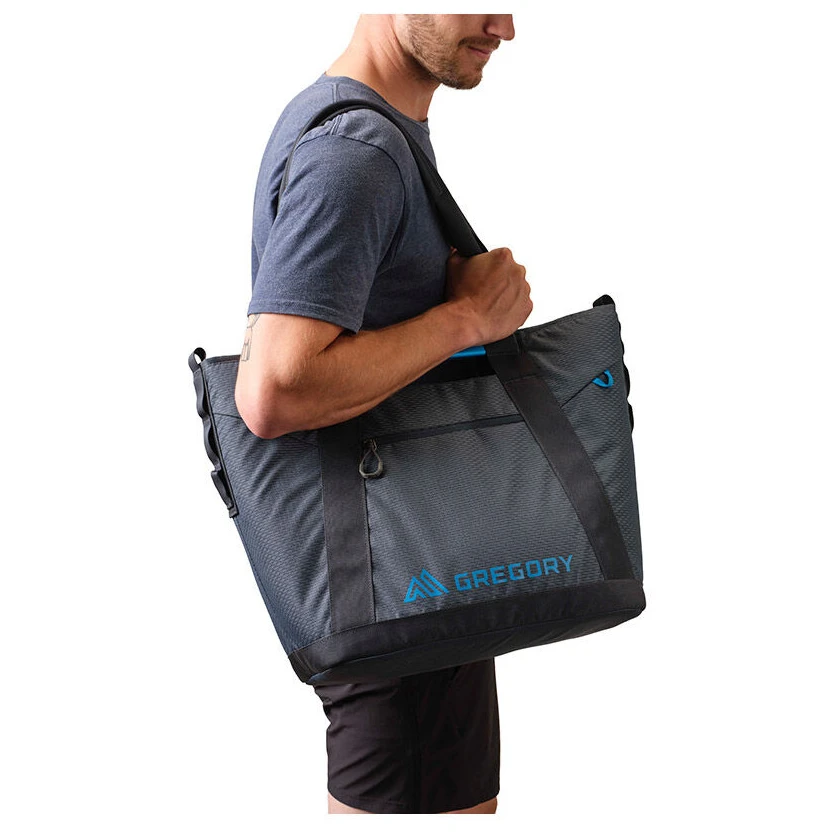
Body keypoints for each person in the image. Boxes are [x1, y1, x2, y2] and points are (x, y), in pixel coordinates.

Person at [235, 14, 531, 815]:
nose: (505, 25)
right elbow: (273, 390)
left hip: (409, 578)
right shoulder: (355, 152)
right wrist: (464, 321)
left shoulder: (365, 127)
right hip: (399, 600)